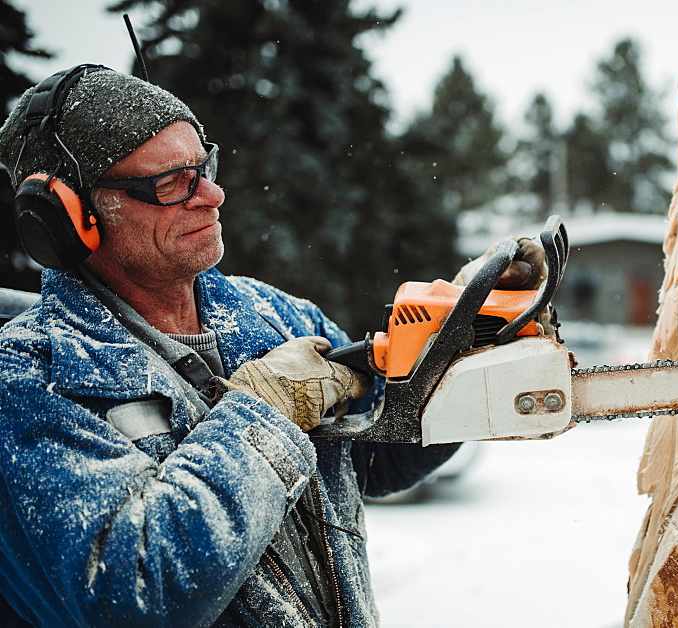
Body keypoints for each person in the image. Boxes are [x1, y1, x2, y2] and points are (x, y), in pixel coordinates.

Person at [0, 65, 544, 626]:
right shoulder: (29, 384)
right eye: (171, 182)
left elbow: (375, 457)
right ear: (68, 216)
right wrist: (264, 412)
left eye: (204, 166)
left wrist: (455, 346)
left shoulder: (269, 315)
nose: (212, 194)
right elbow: (136, 594)